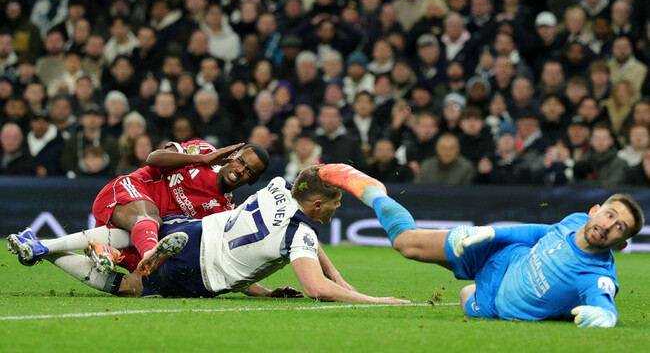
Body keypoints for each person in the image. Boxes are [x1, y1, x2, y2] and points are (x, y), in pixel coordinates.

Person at [11, 166, 407, 304]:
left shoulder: (278, 186)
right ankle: (49, 253)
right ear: (317, 206)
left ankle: (44, 244)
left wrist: (338, 275)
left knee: (133, 235)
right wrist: (373, 299)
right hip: (197, 272)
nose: (339, 207)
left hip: (196, 230)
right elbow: (315, 288)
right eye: (336, 202)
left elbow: (310, 187)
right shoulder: (299, 234)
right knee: (129, 285)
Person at [318, 164, 645, 327]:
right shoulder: (575, 221)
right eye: (610, 214)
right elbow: (537, 233)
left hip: (491, 302)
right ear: (594, 211)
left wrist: (606, 316)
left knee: (466, 295)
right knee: (407, 243)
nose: (609, 225)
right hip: (501, 254)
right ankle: (373, 190)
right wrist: (489, 233)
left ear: (620, 243)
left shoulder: (596, 275)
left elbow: (603, 301)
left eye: (619, 227)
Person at [9, 141, 269, 276]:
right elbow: (153, 158)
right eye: (240, 161)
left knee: (138, 281)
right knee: (150, 218)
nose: (240, 170)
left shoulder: (225, 211)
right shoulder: (203, 151)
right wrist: (202, 158)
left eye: (249, 171)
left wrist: (265, 292)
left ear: (253, 181)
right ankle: (150, 257)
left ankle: (40, 247)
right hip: (132, 190)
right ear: (233, 156)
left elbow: (225, 261)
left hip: (142, 234)